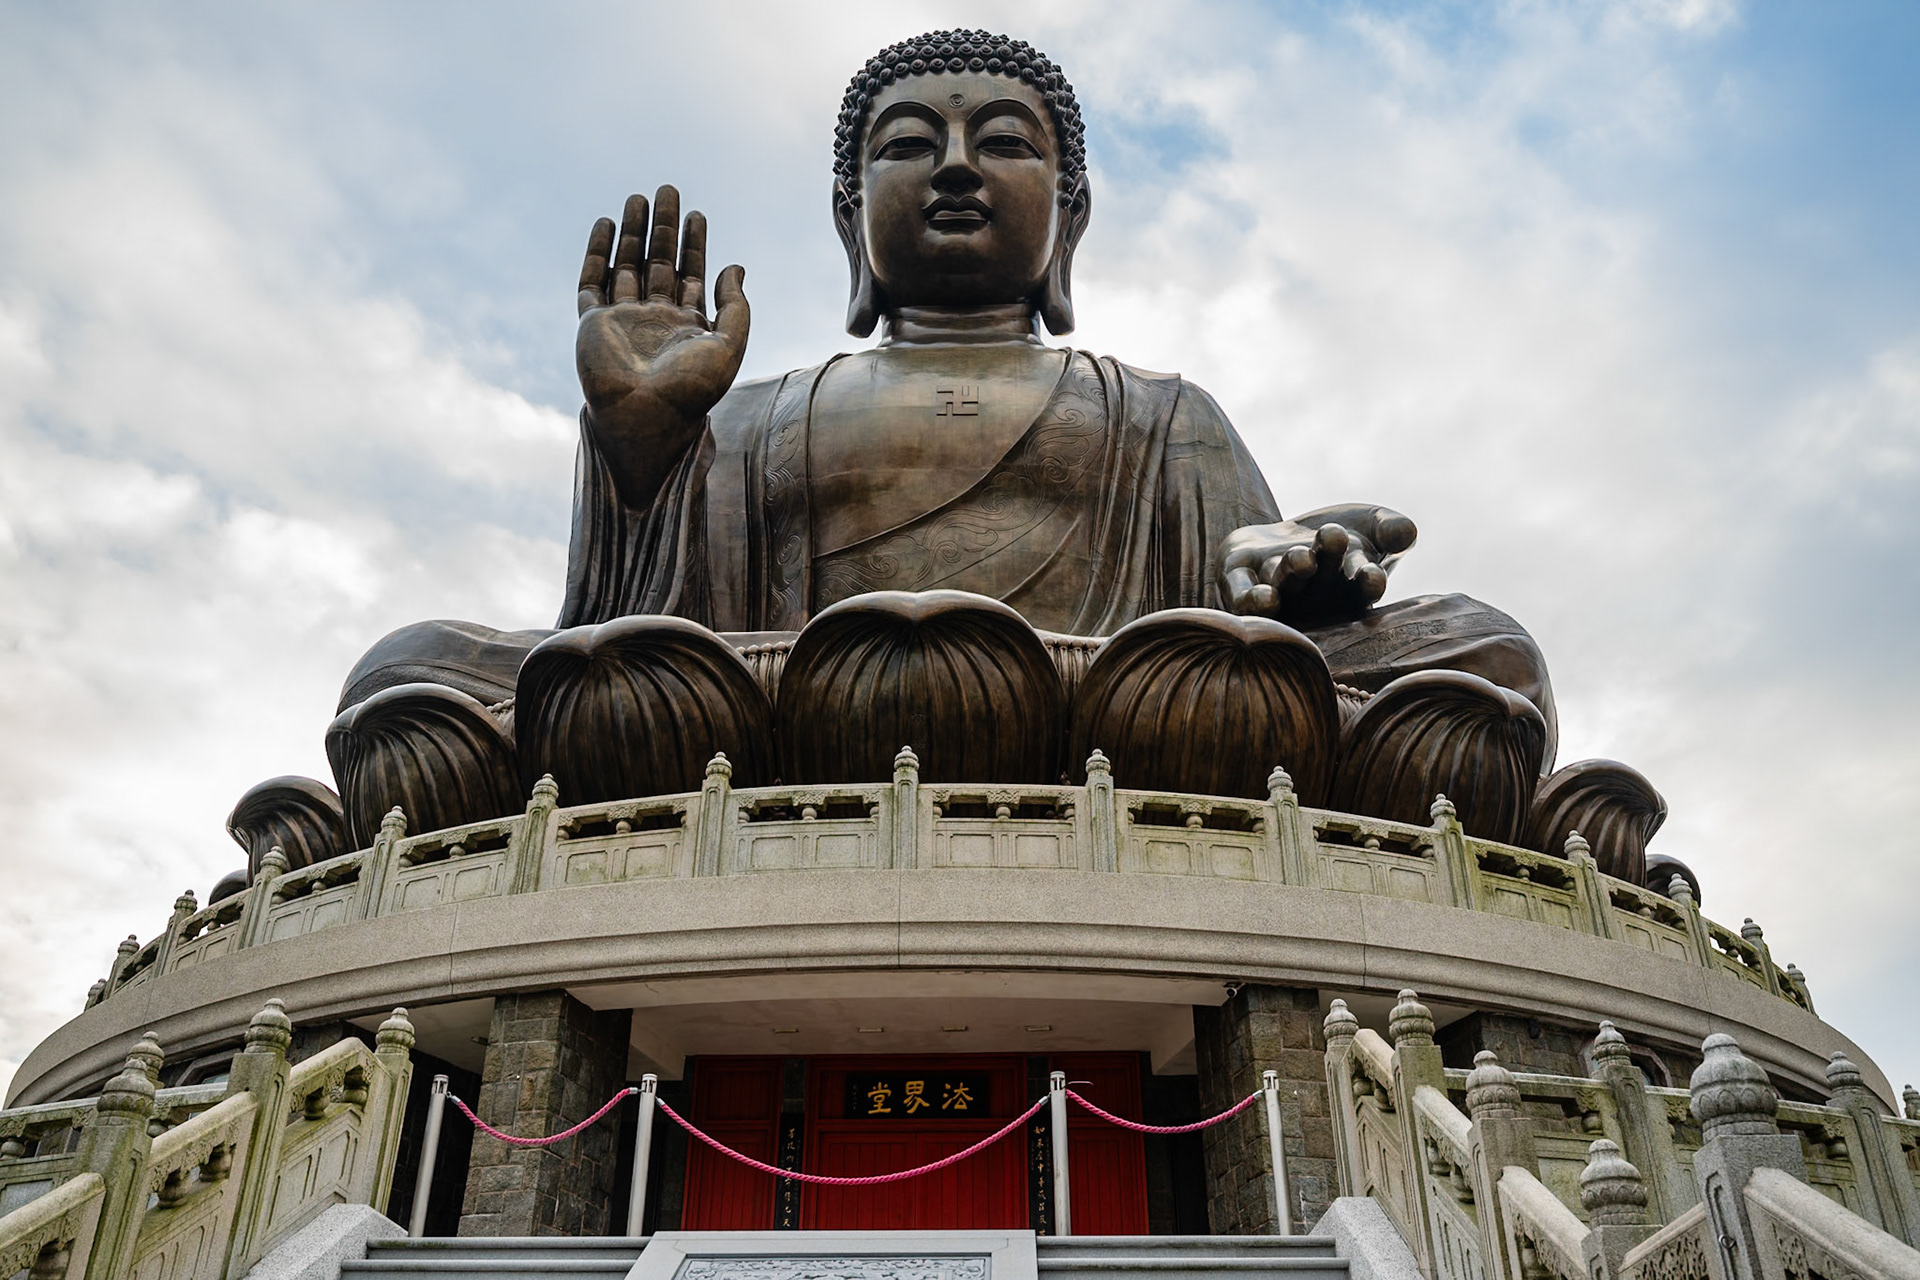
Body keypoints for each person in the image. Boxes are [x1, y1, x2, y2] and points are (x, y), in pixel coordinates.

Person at [342, 30, 1556, 767]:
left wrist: (1282, 578)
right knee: (407, 676)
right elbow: (620, 635)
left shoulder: (1160, 410)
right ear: (848, 214)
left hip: (1113, 720)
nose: (961, 164)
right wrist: (644, 452)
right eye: (911, 142)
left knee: (1484, 651)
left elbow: (1238, 628)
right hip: (777, 713)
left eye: (1006, 143)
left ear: (1069, 215)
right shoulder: (757, 412)